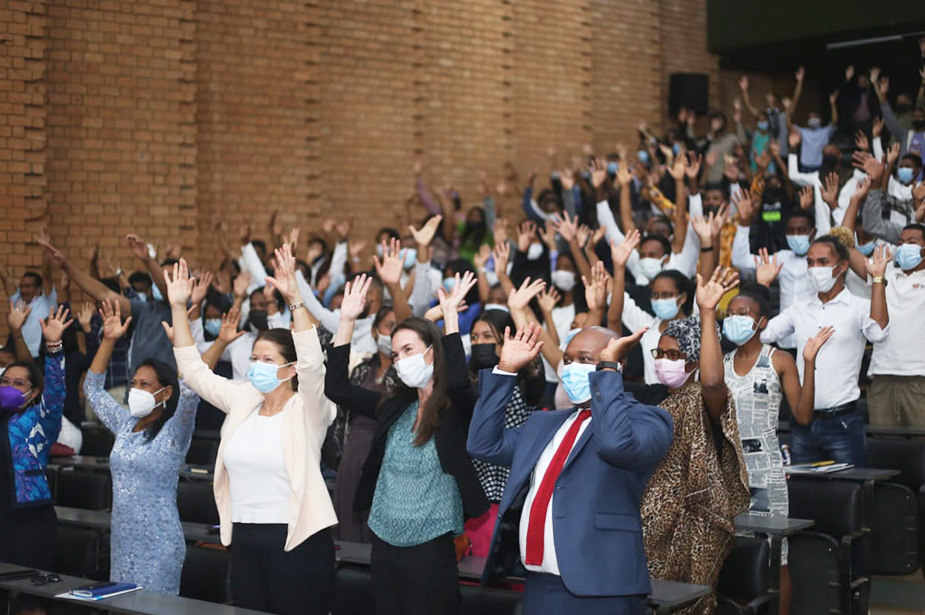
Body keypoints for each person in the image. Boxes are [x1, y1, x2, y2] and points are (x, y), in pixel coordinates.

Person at [167, 249, 337, 615]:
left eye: (268, 360)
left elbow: (313, 364)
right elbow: (193, 371)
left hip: (297, 538)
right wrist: (179, 307)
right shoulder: (244, 398)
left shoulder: (308, 408)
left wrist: (295, 302)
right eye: (254, 359)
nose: (257, 366)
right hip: (243, 537)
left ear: (289, 369)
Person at [467, 321, 672, 614]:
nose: (571, 368)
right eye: (567, 360)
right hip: (538, 582)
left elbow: (615, 444)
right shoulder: (546, 422)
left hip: (602, 587)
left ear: (616, 366)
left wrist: (608, 372)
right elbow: (482, 444)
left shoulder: (648, 419)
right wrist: (506, 370)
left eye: (585, 360)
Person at [324, 271, 489, 615]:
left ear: (432, 352)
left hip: (432, 547)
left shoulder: (457, 408)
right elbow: (337, 389)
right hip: (384, 541)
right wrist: (346, 321)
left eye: (409, 349)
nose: (400, 360)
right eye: (396, 354)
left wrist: (449, 318)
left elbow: (457, 381)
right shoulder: (394, 404)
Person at [641, 269, 750, 615]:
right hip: (652, 527)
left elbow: (714, 380)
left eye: (673, 355)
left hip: (696, 525)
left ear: (692, 358)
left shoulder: (704, 399)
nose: (662, 361)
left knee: (690, 605)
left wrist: (706, 313)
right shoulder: (653, 398)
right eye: (659, 354)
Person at [722, 286, 833, 615]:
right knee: (736, 553)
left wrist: (809, 362)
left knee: (776, 554)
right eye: (730, 313)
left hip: (767, 472)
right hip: (729, 472)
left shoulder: (779, 359)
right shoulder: (720, 363)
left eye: (743, 314)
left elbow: (802, 415)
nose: (734, 319)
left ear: (762, 321)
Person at [83, 299, 199, 594]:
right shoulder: (124, 424)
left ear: (165, 392)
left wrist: (182, 346)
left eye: (145, 385)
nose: (135, 389)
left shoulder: (174, 432)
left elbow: (191, 392)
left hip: (159, 546)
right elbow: (92, 389)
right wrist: (109, 340)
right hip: (123, 543)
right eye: (133, 383)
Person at [760, 238, 890, 465]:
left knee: (849, 491)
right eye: (810, 263)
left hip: (843, 422)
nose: (815, 269)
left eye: (823, 262)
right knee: (805, 494)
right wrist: (762, 287)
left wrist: (878, 279)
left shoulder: (858, 306)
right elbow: (762, 335)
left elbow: (879, 333)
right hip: (802, 423)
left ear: (842, 266)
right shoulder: (799, 309)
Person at [464, 309, 543, 556]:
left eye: (487, 336)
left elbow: (534, 361)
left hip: (513, 491)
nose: (480, 343)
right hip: (477, 492)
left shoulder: (527, 380)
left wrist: (518, 309)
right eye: (474, 337)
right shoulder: (469, 383)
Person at [0, 305, 69, 569]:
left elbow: (56, 391)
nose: (9, 387)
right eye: (5, 382)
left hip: (28, 519)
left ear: (34, 391)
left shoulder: (41, 419)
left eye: (18, 383)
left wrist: (53, 346)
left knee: (28, 601)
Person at [332, 305, 398, 543]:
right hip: (352, 453)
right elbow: (341, 416)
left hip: (385, 456)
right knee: (348, 521)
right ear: (373, 331)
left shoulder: (405, 375)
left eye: (398, 327)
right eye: (389, 326)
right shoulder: (360, 370)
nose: (393, 333)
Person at [608, 230, 695, 384]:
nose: (660, 299)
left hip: (688, 401)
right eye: (655, 295)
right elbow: (616, 311)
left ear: (683, 297)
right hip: (652, 402)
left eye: (667, 294)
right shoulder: (647, 327)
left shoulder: (697, 326)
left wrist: (709, 242)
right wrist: (619, 267)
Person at [864, 224, 925, 428]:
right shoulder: (885, 274)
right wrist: (854, 201)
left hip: (919, 378)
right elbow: (845, 247)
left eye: (912, 242)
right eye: (900, 243)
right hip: (883, 376)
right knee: (884, 451)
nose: (904, 247)